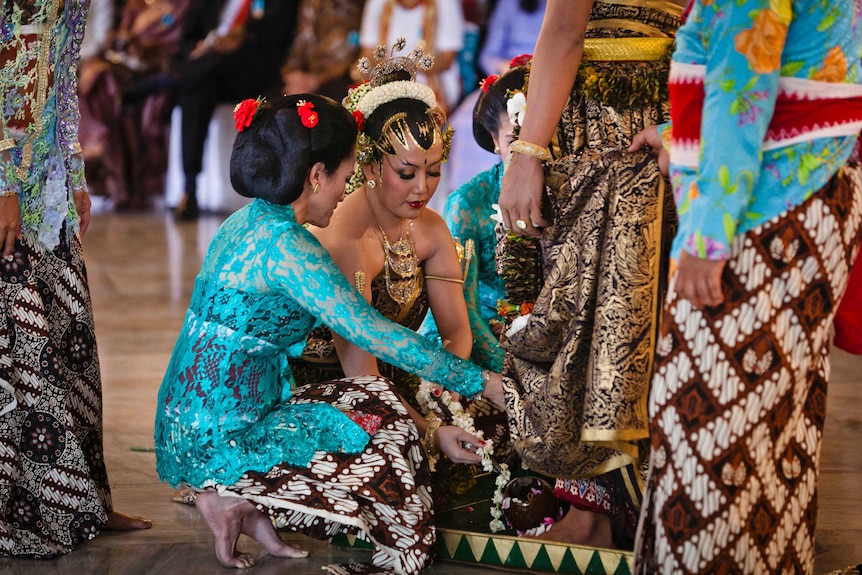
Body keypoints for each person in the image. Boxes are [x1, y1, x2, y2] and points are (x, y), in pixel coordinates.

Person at [154, 92, 503, 573]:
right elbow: (374, 334)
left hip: (186, 421)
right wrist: (480, 383)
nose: (345, 192)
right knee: (392, 443)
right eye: (343, 176)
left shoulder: (248, 219)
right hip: (226, 435)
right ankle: (227, 485)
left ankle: (229, 492)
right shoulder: (291, 250)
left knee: (373, 411)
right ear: (316, 175)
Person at [630, 0, 862, 570]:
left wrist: (707, 236)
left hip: (765, 208)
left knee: (710, 435)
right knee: (772, 438)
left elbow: (743, 76)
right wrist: (678, 135)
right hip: (802, 192)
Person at [489, 0, 683, 549]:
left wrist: (527, 153)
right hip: (669, 114)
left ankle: (614, 511)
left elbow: (565, 30)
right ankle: (628, 509)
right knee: (637, 314)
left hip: (611, 123)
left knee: (587, 317)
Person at [0, 0, 151, 557]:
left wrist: (76, 168)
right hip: (7, 182)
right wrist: (2, 188)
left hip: (48, 183)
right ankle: (30, 507)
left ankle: (86, 498)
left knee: (71, 339)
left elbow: (62, 82)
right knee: (22, 350)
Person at [421, 64, 530, 374]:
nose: (524, 153)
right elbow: (461, 310)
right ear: (495, 140)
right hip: (473, 339)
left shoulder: (565, 191)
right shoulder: (468, 203)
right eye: (513, 140)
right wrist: (511, 372)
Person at [172, 0, 299, 220]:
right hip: (211, 69)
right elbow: (193, 28)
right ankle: (190, 188)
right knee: (196, 90)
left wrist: (234, 41)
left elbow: (275, 34)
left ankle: (165, 82)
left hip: (252, 65)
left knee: (194, 78)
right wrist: (208, 44)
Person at [356, 0, 465, 114]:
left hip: (431, 86)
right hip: (386, 83)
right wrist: (360, 72)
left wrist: (401, 70)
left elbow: (445, 60)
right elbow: (368, 53)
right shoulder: (377, 3)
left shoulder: (446, 3)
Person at [280, 0, 365, 102]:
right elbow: (301, 40)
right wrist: (292, 72)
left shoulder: (361, 9)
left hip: (339, 79)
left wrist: (316, 80)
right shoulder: (314, 3)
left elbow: (350, 57)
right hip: (308, 75)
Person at [477, 0, 546, 77]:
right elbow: (487, 57)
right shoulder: (509, 4)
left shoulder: (559, 10)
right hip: (515, 75)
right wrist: (504, 67)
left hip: (549, 76)